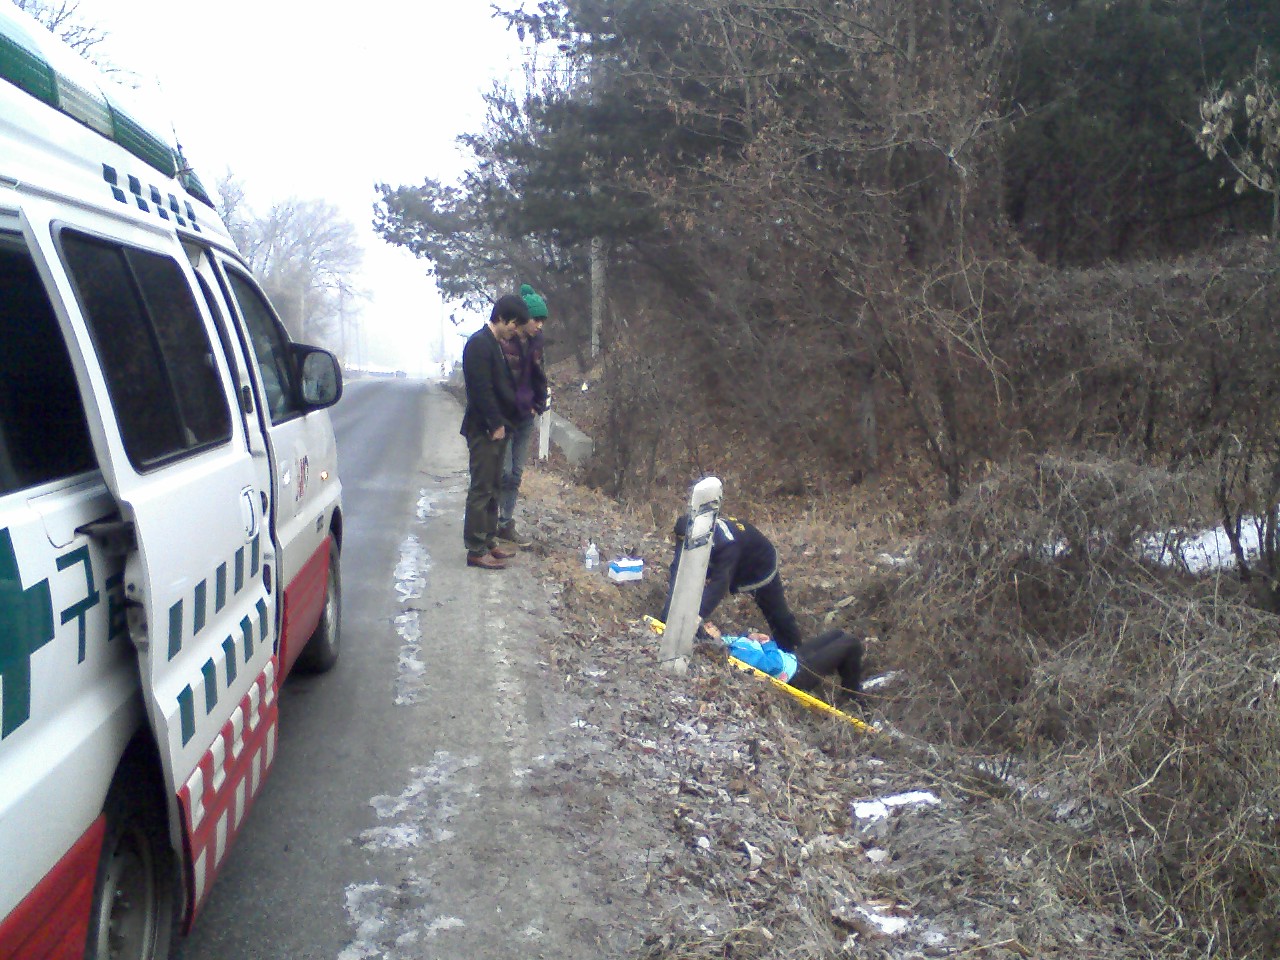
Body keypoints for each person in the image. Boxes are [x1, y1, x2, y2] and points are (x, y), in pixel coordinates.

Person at [661, 513, 802, 651]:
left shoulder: (726, 543)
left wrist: (697, 616)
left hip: (759, 564)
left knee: (776, 613)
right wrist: (668, 615)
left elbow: (720, 583)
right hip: (721, 557)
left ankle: (793, 652)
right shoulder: (686, 533)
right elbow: (679, 570)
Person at [460, 294, 530, 569]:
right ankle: (476, 549)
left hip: (499, 427)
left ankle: (489, 540)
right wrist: (495, 424)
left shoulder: (495, 344)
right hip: (484, 429)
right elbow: (480, 389)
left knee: (493, 486)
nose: (515, 330)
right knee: (481, 488)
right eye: (514, 324)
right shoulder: (479, 344)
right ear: (501, 318)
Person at [496, 283, 550, 547]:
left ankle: (506, 522)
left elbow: (539, 376)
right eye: (536, 319)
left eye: (542, 321)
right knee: (504, 472)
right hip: (506, 416)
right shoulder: (504, 343)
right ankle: (491, 520)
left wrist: (538, 403)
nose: (539, 325)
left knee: (516, 473)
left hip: (526, 415)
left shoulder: (537, 343)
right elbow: (502, 381)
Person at [702, 621, 865, 703]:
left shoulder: (726, 642)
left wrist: (751, 637)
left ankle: (847, 682)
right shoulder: (735, 653)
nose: (710, 624)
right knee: (852, 643)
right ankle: (851, 697)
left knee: (837, 634)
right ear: (709, 638)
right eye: (707, 628)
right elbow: (773, 665)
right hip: (798, 675)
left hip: (793, 659)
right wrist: (768, 644)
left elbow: (740, 640)